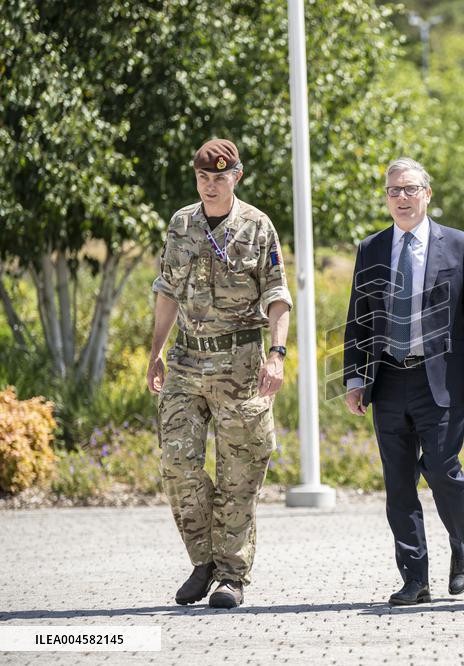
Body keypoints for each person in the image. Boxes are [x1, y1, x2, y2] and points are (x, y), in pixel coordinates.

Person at [147, 138, 292, 609]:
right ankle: (203, 560)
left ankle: (232, 576)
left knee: (240, 473)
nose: (210, 186)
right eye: (203, 178)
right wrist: (156, 351)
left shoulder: (257, 226)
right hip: (187, 363)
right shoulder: (181, 224)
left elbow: (277, 296)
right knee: (177, 462)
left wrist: (277, 354)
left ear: (237, 177)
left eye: (219, 177)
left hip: (242, 365)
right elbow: (167, 291)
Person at [342, 158, 464, 606]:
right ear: (386, 198)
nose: (402, 198)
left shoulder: (461, 245)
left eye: (410, 189)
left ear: (428, 194)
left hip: (441, 380)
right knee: (398, 483)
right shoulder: (371, 248)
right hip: (388, 379)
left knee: (443, 469)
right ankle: (415, 579)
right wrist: (355, 377)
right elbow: (358, 318)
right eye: (394, 191)